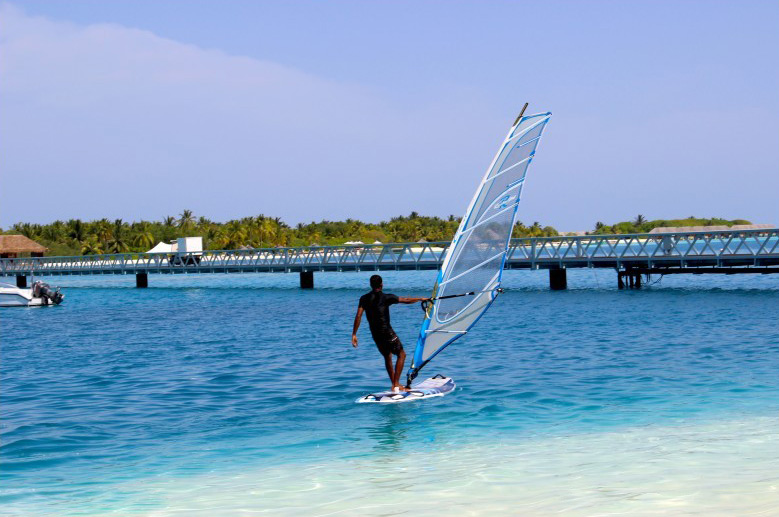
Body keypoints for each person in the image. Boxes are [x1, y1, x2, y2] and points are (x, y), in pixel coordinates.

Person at [351, 274, 428, 392]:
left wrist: (354, 334)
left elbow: (358, 316)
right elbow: (406, 300)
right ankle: (396, 385)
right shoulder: (386, 297)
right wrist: (420, 299)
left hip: (375, 334)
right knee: (401, 354)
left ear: (371, 285)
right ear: (382, 285)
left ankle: (394, 384)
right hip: (387, 332)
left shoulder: (364, 298)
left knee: (387, 356)